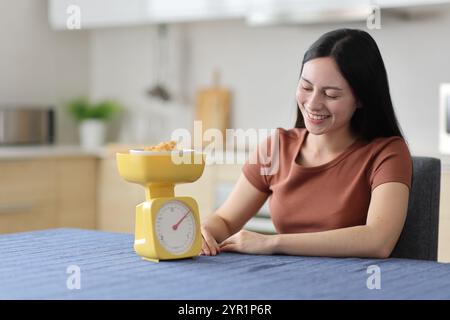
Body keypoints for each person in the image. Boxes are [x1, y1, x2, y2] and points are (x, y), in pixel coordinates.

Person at [200, 28, 412, 259]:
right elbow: (225, 220)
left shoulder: (387, 153)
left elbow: (378, 240)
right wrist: (206, 231)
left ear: (361, 98)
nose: (313, 103)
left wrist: (273, 243)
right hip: (290, 280)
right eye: (306, 87)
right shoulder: (277, 148)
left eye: (331, 95)